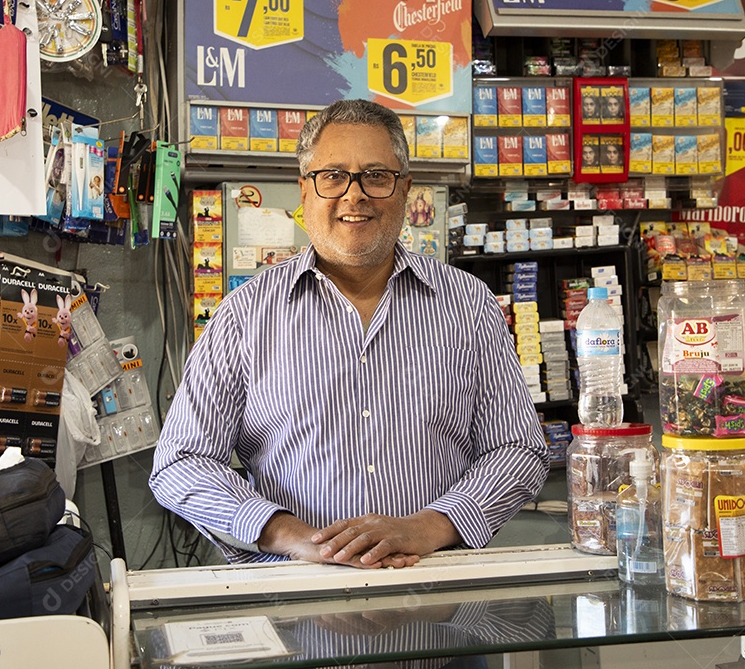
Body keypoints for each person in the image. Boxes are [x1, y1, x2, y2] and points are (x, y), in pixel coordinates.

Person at [149, 99, 549, 569]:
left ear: (405, 190)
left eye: (376, 176)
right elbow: (181, 462)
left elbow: (519, 447)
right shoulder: (244, 316)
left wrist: (427, 526)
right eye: (333, 175)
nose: (354, 195)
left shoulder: (468, 306)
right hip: (299, 606)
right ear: (304, 191)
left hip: (438, 598)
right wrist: (290, 534)